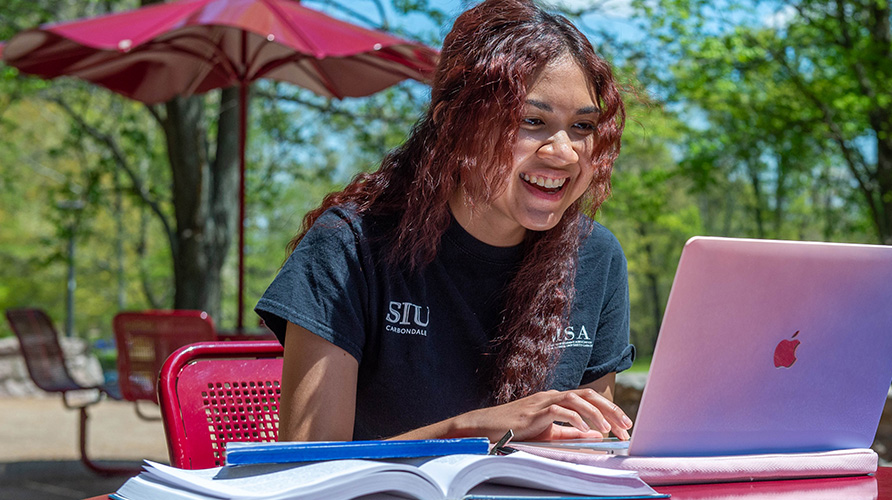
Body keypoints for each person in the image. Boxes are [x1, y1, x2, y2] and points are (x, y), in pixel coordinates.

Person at [255, 0, 635, 444]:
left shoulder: (596, 257)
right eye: (532, 121)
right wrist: (469, 430)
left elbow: (591, 451)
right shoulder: (349, 247)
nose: (564, 152)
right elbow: (306, 467)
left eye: (583, 127)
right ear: (453, 125)